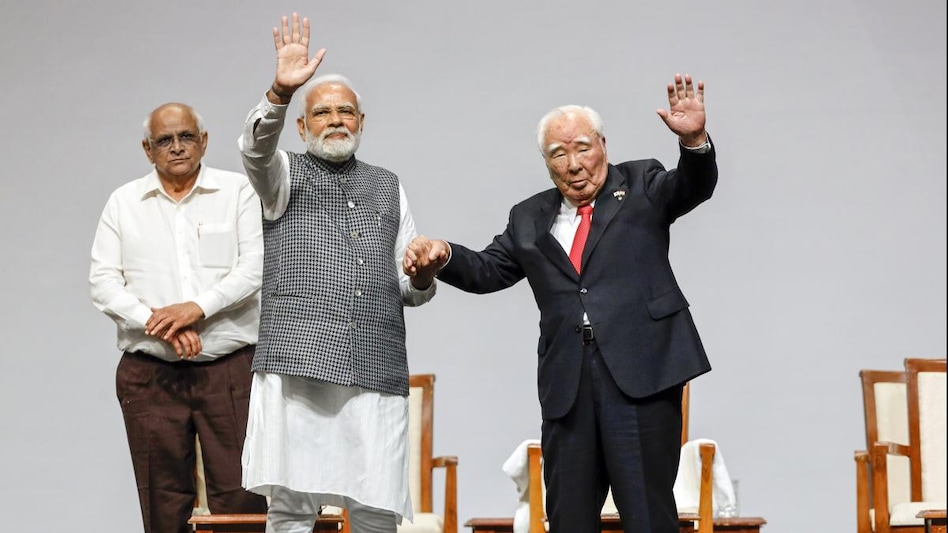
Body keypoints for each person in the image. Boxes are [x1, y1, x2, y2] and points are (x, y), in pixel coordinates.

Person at [404, 74, 717, 533]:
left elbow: (693, 186)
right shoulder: (529, 217)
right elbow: (489, 269)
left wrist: (693, 142)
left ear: (603, 146)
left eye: (583, 148)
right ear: (546, 163)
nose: (574, 164)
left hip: (641, 379)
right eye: (558, 154)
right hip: (568, 389)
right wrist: (443, 253)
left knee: (650, 518)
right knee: (568, 519)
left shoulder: (643, 183)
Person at [237, 13, 438, 533]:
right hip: (297, 363)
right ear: (302, 127)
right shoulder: (281, 176)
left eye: (345, 111)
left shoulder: (388, 185)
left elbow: (408, 287)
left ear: (362, 121)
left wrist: (420, 275)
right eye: (321, 113)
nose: (335, 120)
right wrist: (280, 92)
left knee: (377, 508)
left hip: (375, 362)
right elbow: (255, 150)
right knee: (291, 509)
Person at [89, 102, 268, 533]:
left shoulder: (237, 191)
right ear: (147, 150)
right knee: (163, 500)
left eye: (186, 137)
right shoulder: (124, 202)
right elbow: (103, 282)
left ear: (203, 142)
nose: (176, 148)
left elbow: (256, 266)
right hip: (152, 375)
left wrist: (196, 308)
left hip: (231, 372)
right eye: (164, 141)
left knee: (242, 498)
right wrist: (161, 325)